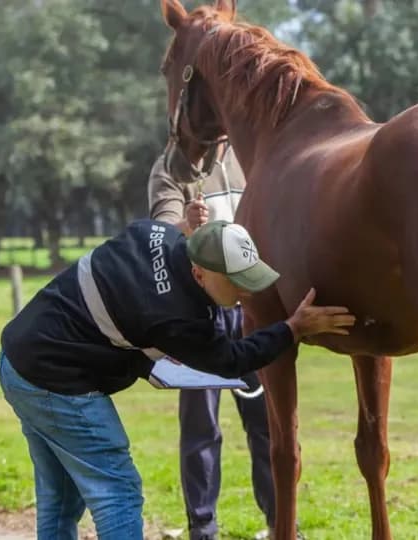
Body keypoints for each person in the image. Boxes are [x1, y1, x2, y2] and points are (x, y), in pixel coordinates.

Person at [0, 219, 355, 540]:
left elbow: (139, 282)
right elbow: (233, 360)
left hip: (18, 360)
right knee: (118, 490)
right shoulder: (179, 317)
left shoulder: (155, 231)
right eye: (236, 283)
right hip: (53, 381)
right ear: (200, 273)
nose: (246, 292)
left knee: (60, 498)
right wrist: (294, 328)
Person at [149, 148, 278, 540]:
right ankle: (203, 530)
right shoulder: (172, 168)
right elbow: (163, 235)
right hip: (200, 310)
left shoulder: (253, 155)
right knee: (201, 425)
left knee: (267, 424)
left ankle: (281, 523)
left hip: (253, 304)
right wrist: (186, 227)